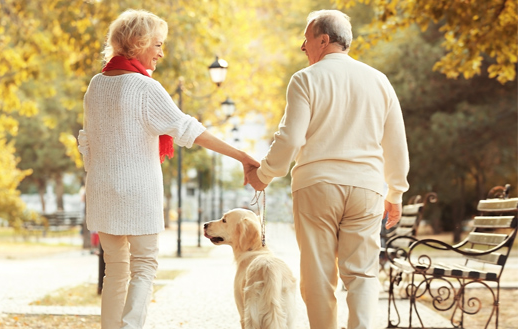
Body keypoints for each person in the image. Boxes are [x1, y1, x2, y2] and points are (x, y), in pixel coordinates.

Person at [77, 9, 259, 329]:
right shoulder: (146, 87)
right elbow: (189, 130)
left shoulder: (96, 85)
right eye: (157, 45)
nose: (161, 52)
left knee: (115, 269)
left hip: (102, 188)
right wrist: (241, 154)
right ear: (139, 43)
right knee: (144, 266)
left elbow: (88, 144)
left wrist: (99, 177)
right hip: (138, 191)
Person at [245, 9, 410, 329]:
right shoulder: (379, 80)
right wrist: (396, 192)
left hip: (316, 186)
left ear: (323, 40)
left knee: (318, 273)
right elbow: (396, 143)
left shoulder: (305, 79)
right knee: (362, 273)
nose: (303, 48)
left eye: (306, 40)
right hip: (366, 187)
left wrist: (263, 175)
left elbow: (290, 139)